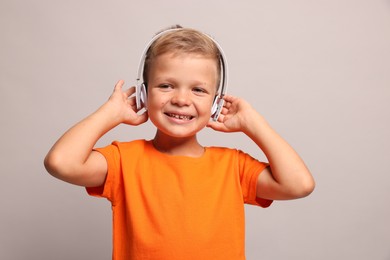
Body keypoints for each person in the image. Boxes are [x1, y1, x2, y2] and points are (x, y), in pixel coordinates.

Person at [44, 25, 315, 260]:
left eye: (198, 90)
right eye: (166, 86)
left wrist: (254, 124)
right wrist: (109, 114)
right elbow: (61, 163)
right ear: (143, 93)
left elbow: (299, 185)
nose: (181, 99)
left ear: (216, 103)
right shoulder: (123, 161)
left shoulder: (233, 166)